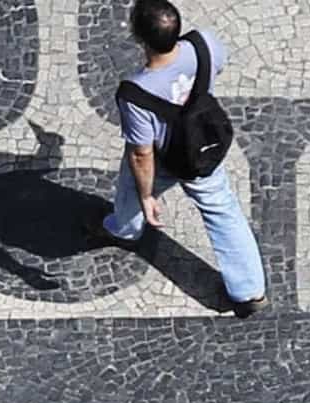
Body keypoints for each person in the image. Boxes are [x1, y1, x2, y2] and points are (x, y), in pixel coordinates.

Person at [96, 0, 267, 315]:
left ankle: (125, 229)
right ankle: (249, 292)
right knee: (223, 211)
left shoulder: (135, 93)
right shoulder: (205, 45)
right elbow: (218, 67)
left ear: (139, 38)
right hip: (203, 147)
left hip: (165, 157)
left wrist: (148, 196)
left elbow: (142, 153)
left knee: (132, 184)